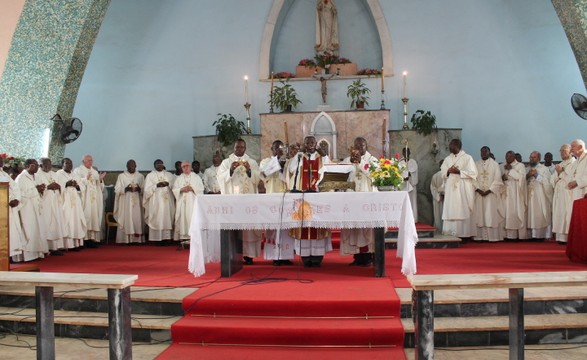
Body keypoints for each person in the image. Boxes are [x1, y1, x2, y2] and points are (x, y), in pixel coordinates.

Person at [288, 135, 332, 267]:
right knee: (303, 225)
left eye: (313, 142)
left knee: (317, 225)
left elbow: (329, 170)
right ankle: (305, 257)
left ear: (316, 144)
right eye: (307, 143)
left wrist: (324, 156)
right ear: (304, 144)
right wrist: (298, 154)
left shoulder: (322, 157)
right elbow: (291, 169)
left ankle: (318, 256)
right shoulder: (300, 156)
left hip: (318, 197)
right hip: (302, 198)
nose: (310, 145)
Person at [217, 139, 261, 264]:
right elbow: (220, 178)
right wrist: (230, 170)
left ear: (245, 149)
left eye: (241, 147)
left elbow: (257, 179)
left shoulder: (251, 162)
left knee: (248, 228)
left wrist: (249, 171)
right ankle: (232, 255)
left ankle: (248, 256)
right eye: (237, 147)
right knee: (234, 227)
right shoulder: (226, 162)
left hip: (248, 201)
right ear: (234, 148)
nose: (239, 149)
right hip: (233, 201)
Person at [341, 137, 377, 266]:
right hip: (352, 199)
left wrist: (360, 161)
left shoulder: (372, 160)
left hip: (367, 199)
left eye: (362, 145)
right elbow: (341, 176)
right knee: (355, 228)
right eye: (356, 146)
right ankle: (357, 256)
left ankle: (369, 256)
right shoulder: (347, 160)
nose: (359, 148)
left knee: (366, 228)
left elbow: (372, 173)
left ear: (366, 146)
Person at [259, 140, 295, 265]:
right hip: (272, 197)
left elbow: (291, 176)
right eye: (277, 148)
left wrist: (284, 164)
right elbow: (263, 174)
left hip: (286, 197)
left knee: (285, 228)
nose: (279, 150)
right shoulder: (266, 162)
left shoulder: (288, 162)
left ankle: (285, 255)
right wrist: (277, 162)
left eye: (281, 148)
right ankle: (274, 256)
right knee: (273, 228)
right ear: (272, 149)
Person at [441, 139, 478, 239]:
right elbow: (442, 172)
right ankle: (449, 233)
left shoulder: (467, 158)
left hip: (462, 188)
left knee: (462, 208)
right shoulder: (447, 159)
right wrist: (448, 171)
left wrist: (459, 172)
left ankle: (464, 234)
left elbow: (473, 173)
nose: (449, 147)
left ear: (457, 145)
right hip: (450, 189)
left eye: (451, 145)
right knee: (451, 209)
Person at [15, 159, 48, 261]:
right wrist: (36, 189)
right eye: (34, 165)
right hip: (27, 208)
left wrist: (42, 189)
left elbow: (40, 189)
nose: (37, 167)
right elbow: (20, 194)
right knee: (28, 230)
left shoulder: (36, 176)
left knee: (38, 229)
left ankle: (37, 253)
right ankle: (27, 255)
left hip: (37, 207)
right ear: (27, 166)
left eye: (37, 165)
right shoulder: (21, 178)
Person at [73, 154, 106, 248]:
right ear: (83, 161)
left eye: (91, 160)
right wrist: (85, 179)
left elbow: (100, 186)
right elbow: (77, 184)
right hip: (84, 199)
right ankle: (83, 240)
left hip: (94, 200)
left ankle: (91, 239)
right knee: (85, 217)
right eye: (88, 160)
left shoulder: (94, 171)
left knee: (93, 218)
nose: (91, 162)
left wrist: (100, 180)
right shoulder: (77, 171)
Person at [36, 158, 66, 255]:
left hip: (55, 202)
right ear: (40, 165)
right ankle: (45, 249)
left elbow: (61, 186)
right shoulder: (37, 175)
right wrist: (48, 187)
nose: (49, 166)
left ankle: (54, 248)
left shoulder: (54, 174)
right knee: (46, 224)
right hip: (45, 204)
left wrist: (59, 187)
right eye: (46, 165)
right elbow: (36, 189)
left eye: (50, 164)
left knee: (55, 224)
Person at [473, 146, 504, 242]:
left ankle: (492, 237)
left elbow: (498, 179)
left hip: (490, 194)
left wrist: (489, 190)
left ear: (489, 152)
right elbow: (473, 178)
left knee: (490, 214)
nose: (483, 153)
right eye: (482, 151)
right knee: (479, 214)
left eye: (485, 151)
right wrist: (478, 189)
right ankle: (479, 237)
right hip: (479, 193)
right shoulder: (475, 164)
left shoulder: (495, 165)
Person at [55, 158, 86, 250]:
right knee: (66, 221)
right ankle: (66, 245)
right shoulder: (58, 174)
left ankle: (75, 243)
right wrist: (66, 184)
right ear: (62, 165)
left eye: (71, 163)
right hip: (65, 201)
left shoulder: (75, 174)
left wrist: (77, 186)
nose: (69, 165)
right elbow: (57, 186)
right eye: (67, 163)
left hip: (75, 201)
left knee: (76, 220)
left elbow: (82, 187)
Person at [143, 159, 176, 244]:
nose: (160, 165)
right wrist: (156, 185)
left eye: (161, 163)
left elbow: (175, 187)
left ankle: (167, 239)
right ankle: (156, 239)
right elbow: (146, 191)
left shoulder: (169, 175)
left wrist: (168, 184)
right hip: (156, 202)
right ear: (154, 165)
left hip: (167, 201)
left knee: (167, 217)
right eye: (158, 164)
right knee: (157, 217)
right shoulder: (150, 176)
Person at [0, 156, 26, 261]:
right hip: (3, 206)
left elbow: (16, 187)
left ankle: (8, 255)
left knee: (11, 231)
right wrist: (6, 200)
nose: (1, 161)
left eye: (1, 159)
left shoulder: (4, 174)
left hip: (11, 207)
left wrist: (17, 199)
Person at [113, 159, 145, 244]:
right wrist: (126, 189)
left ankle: (137, 240)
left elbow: (145, 190)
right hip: (125, 203)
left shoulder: (140, 176)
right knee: (127, 218)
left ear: (136, 166)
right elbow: (117, 189)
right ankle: (125, 240)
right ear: (126, 166)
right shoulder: (121, 176)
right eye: (129, 165)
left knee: (137, 219)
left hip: (137, 203)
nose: (131, 167)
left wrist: (139, 189)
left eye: (132, 165)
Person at [173, 161, 204, 243]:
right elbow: (174, 190)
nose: (186, 168)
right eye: (183, 166)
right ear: (181, 168)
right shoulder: (179, 178)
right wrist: (181, 189)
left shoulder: (196, 177)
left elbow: (201, 189)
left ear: (191, 167)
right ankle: (184, 237)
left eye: (187, 166)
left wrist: (192, 188)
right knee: (183, 218)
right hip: (183, 203)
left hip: (193, 202)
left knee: (192, 218)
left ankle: (194, 237)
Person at [500, 150, 528, 240]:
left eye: (510, 156)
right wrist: (502, 178)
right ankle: (505, 235)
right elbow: (497, 178)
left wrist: (511, 170)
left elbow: (522, 178)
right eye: (507, 156)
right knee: (504, 212)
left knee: (515, 212)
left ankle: (516, 236)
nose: (508, 158)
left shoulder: (520, 166)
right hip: (504, 193)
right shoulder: (501, 166)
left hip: (516, 194)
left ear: (514, 157)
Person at [525, 151, 553, 241]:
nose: (531, 159)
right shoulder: (526, 169)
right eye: (530, 157)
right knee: (529, 214)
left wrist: (536, 175)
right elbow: (522, 182)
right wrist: (528, 176)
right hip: (529, 195)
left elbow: (548, 184)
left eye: (534, 157)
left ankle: (539, 236)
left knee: (538, 214)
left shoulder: (544, 169)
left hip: (539, 196)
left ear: (539, 159)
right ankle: (530, 235)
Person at [551, 144, 575, 243]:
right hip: (559, 193)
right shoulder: (561, 164)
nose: (562, 153)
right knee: (559, 214)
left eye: (564, 151)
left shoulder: (574, 163)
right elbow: (552, 180)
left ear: (571, 151)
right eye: (560, 151)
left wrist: (561, 173)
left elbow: (573, 179)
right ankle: (561, 237)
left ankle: (569, 237)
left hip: (568, 193)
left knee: (567, 214)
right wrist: (558, 173)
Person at [399, 147, 419, 222]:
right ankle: (402, 219)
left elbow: (413, 173)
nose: (406, 153)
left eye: (407, 152)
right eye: (404, 152)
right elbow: (398, 173)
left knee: (412, 202)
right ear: (402, 153)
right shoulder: (400, 163)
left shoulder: (413, 162)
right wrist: (403, 177)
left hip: (411, 184)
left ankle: (413, 219)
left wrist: (408, 175)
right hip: (402, 185)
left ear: (409, 153)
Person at [429, 160, 444, 232]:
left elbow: (433, 188)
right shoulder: (436, 176)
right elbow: (433, 187)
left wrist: (438, 196)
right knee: (439, 214)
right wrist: (442, 194)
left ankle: (439, 229)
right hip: (444, 198)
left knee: (439, 214)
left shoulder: (435, 175)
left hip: (438, 198)